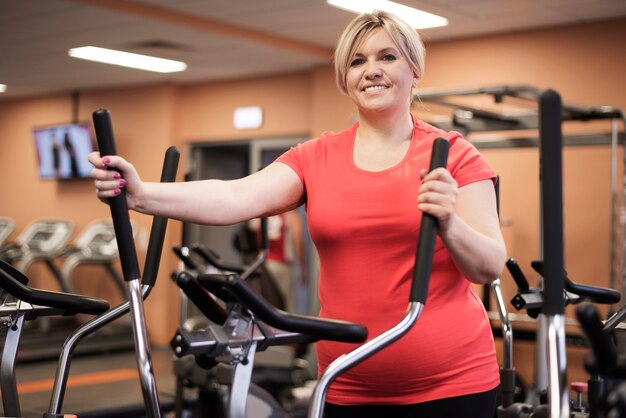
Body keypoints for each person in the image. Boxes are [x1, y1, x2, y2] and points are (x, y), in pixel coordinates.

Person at [89, 10, 506, 418]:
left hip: (452, 385)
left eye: (387, 57)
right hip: (345, 382)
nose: (371, 70)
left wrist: (449, 222)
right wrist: (140, 194)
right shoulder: (317, 156)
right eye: (357, 61)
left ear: (414, 70)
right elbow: (234, 196)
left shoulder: (453, 155)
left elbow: (488, 266)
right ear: (345, 79)